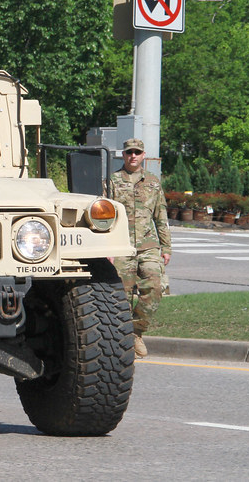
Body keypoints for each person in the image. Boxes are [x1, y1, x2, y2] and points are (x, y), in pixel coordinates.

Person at [107, 138, 172, 359]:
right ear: (123, 156)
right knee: (120, 296)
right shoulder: (112, 181)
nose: (133, 156)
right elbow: (105, 217)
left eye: (137, 152)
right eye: (129, 152)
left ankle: (136, 331)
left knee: (155, 286)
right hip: (121, 246)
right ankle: (122, 341)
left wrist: (166, 247)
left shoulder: (153, 182)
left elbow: (160, 216)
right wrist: (107, 248)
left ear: (144, 155)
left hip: (148, 245)